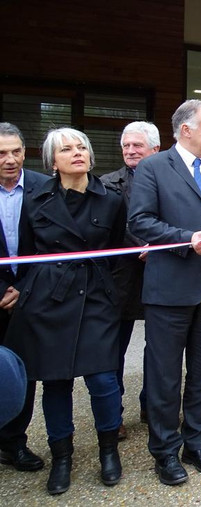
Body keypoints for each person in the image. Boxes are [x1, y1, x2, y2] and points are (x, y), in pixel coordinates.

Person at [129, 100, 201, 486]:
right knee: (164, 377)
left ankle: (196, 443)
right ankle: (165, 452)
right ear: (185, 130)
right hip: (169, 291)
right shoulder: (153, 167)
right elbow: (140, 221)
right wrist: (185, 239)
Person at [6, 127, 126, 494]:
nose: (77, 153)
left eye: (82, 147)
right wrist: (21, 289)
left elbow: (119, 250)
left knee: (104, 380)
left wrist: (111, 291)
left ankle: (109, 452)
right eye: (67, 149)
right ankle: (62, 457)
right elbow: (26, 251)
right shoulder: (35, 199)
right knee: (55, 382)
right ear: (52, 162)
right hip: (48, 299)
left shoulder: (111, 199)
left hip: (95, 296)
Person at [100, 121, 160, 440]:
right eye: (126, 146)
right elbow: (102, 229)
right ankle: (113, 415)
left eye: (137, 145)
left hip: (160, 276)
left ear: (155, 149)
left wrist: (159, 246)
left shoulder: (170, 180)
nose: (130, 151)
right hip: (119, 278)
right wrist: (140, 245)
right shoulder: (106, 184)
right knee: (114, 351)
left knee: (159, 349)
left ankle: (152, 406)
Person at [0, 122, 49, 474]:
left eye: (16, 151)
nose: (10, 159)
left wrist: (26, 287)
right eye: (1, 153)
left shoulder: (42, 187)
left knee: (21, 372)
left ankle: (14, 442)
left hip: (28, 296)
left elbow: (53, 245)